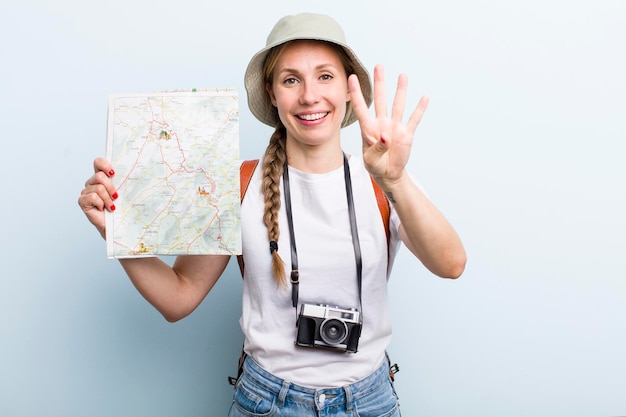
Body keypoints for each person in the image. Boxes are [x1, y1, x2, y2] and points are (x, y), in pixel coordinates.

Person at [78, 12, 466, 417]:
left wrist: (396, 180)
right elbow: (179, 297)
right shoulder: (239, 185)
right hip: (266, 402)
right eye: (291, 79)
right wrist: (118, 234)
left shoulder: (384, 181)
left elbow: (451, 264)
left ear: (350, 89)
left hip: (370, 401)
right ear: (273, 92)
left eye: (325, 76)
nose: (310, 96)